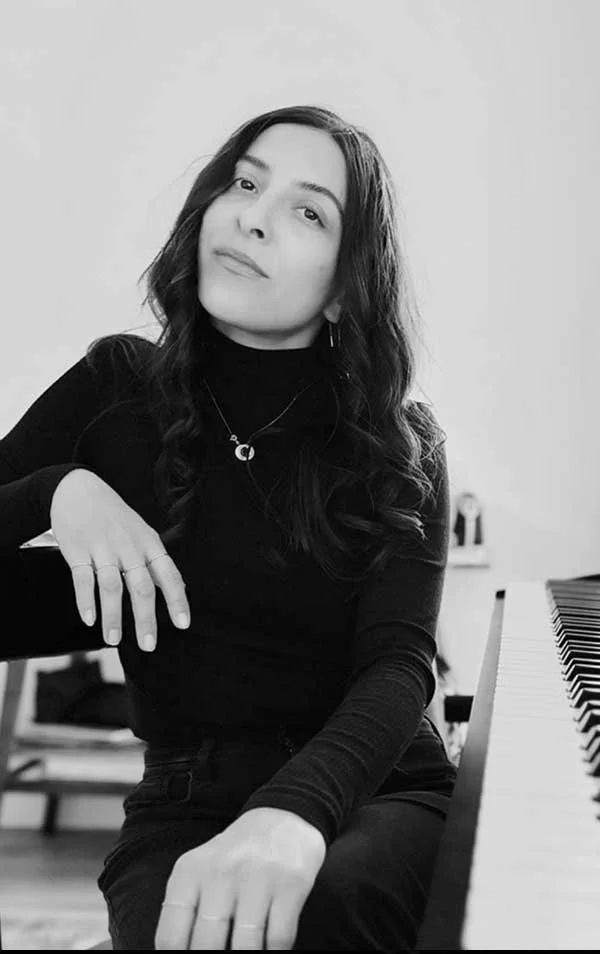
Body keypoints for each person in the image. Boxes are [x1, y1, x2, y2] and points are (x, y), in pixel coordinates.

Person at [0, 104, 457, 950]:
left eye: (308, 210)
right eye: (245, 182)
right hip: (187, 803)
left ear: (348, 286)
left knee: (328, 906)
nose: (254, 214)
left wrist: (292, 814)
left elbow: (400, 666)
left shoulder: (400, 445)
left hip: (376, 791)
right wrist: (56, 492)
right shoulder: (113, 389)